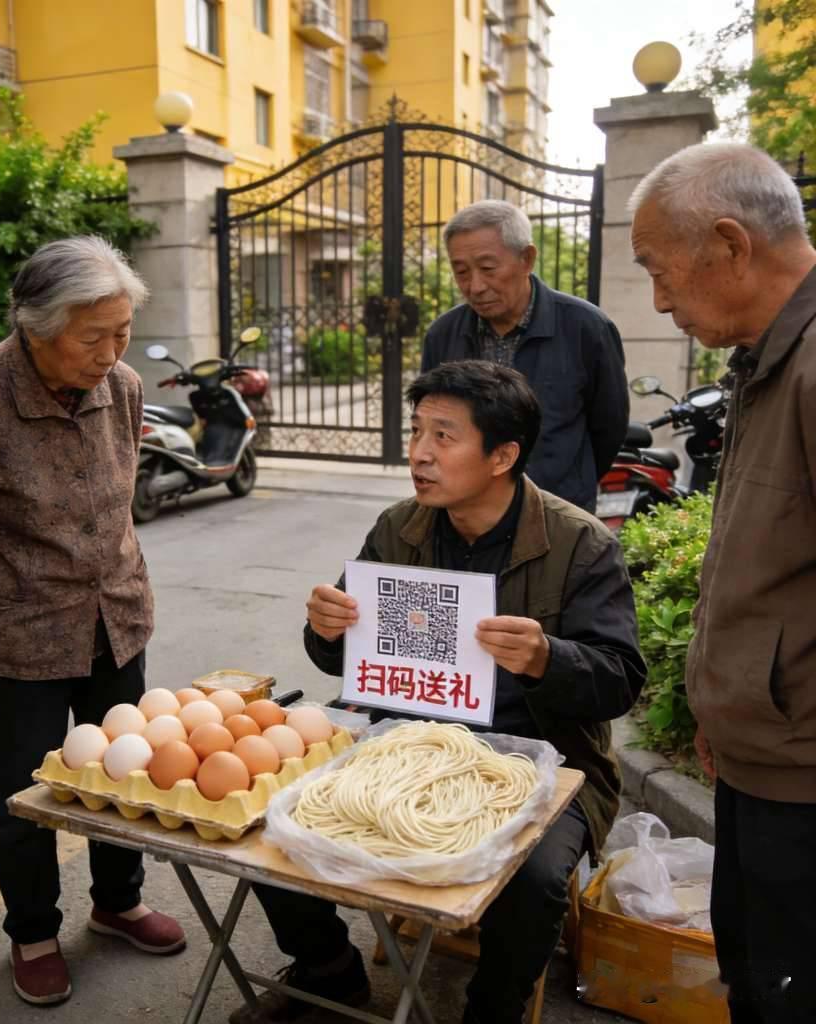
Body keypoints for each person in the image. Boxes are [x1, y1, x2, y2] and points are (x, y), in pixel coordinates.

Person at [230, 359, 646, 1024]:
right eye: (417, 431)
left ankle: (493, 1009)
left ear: (503, 455)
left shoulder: (580, 545)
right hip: (401, 745)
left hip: (542, 758)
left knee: (534, 880)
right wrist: (325, 629)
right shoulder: (401, 528)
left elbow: (621, 679)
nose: (419, 454)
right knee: (260, 818)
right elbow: (347, 654)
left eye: (444, 437)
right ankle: (330, 972)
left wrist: (548, 657)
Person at [0, 237, 186, 1007]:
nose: (111, 351)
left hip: (116, 618)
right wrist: (1, 586)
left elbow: (121, 495)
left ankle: (118, 901)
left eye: (121, 331)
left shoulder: (121, 387)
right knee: (26, 793)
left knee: (126, 767)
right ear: (35, 325)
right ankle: (33, 932)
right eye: (92, 335)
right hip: (17, 636)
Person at [630, 142, 816, 1024]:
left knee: (786, 991)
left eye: (661, 273)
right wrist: (724, 708)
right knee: (751, 972)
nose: (660, 300)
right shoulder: (770, 358)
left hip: (805, 779)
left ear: (732, 246)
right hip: (765, 756)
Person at [421, 200, 628, 512]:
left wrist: (570, 482)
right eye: (461, 272)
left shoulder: (587, 328)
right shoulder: (443, 335)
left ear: (526, 259)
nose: (475, 286)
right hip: (466, 514)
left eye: (488, 269)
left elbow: (608, 429)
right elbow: (432, 425)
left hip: (557, 512)